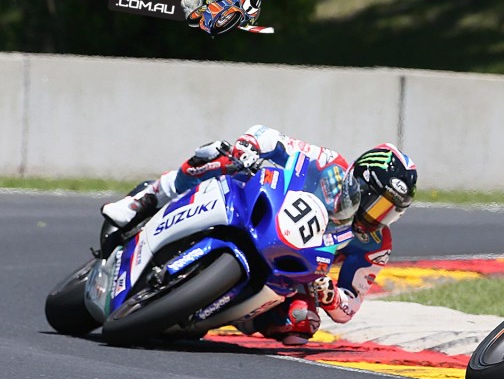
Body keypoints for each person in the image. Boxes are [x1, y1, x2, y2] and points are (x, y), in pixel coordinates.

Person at [101, 124, 417, 345]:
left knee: (302, 323)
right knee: (217, 154)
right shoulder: (328, 164)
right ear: (360, 180)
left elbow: (348, 308)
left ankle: (226, 316)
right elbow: (269, 137)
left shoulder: (375, 243)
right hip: (266, 212)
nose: (379, 217)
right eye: (379, 205)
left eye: (391, 212)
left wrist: (328, 293)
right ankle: (144, 200)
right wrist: (251, 148)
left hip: (300, 266)